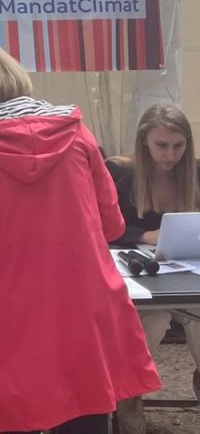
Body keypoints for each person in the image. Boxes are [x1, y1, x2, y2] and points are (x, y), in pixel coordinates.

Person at [0, 37, 160, 434]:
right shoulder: (76, 131)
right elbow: (113, 226)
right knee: (85, 407)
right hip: (81, 302)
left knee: (16, 411)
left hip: (10, 309)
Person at [106, 104, 200, 431]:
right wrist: (143, 235)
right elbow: (100, 226)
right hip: (137, 278)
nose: (170, 155)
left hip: (187, 274)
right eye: (162, 145)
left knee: (199, 321)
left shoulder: (196, 173)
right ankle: (129, 394)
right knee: (154, 319)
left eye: (179, 146)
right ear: (144, 141)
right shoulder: (119, 172)